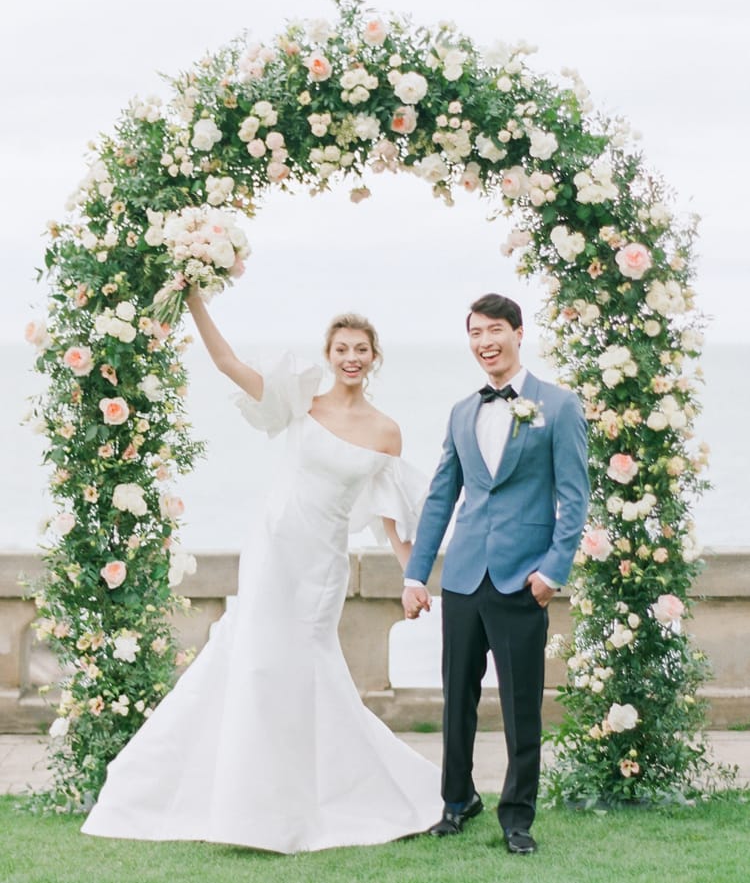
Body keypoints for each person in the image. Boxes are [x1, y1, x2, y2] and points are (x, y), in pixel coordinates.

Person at [82, 292, 441, 853]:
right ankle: (240, 803)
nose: (351, 356)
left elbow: (393, 520)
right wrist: (196, 300)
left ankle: (319, 799)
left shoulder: (386, 432)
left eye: (361, 349)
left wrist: (411, 578)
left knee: (307, 671)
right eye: (342, 347)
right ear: (328, 353)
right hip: (275, 549)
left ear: (374, 358)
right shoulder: (302, 403)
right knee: (254, 666)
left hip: (322, 566)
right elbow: (228, 364)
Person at [402, 293, 589, 855]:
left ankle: (517, 818)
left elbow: (574, 500)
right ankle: (457, 802)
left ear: (518, 332)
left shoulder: (558, 407)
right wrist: (416, 575)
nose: (485, 342)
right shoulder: (462, 411)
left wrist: (551, 573)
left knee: (520, 705)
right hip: (462, 578)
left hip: (521, 581)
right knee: (456, 699)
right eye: (475, 333)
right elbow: (441, 498)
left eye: (495, 330)